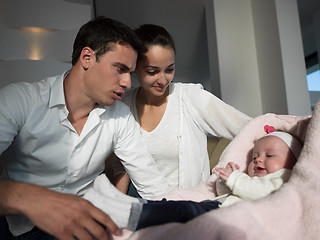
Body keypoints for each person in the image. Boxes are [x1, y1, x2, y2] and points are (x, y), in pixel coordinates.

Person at [0, 17, 172, 240]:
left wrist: (186, 219)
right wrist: (28, 197)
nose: (127, 83)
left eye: (129, 73)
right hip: (14, 224)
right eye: (119, 69)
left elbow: (152, 185)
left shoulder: (121, 117)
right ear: (87, 57)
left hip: (82, 227)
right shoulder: (20, 100)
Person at [113, 24, 252, 197]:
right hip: (140, 201)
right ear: (134, 68)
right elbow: (122, 167)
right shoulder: (123, 105)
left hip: (186, 204)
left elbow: (249, 128)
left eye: (170, 69)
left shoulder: (191, 98)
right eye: (152, 71)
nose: (163, 80)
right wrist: (118, 205)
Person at [84, 129, 303, 231]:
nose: (258, 161)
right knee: (174, 207)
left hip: (229, 217)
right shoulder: (248, 178)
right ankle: (122, 205)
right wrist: (227, 178)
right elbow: (223, 192)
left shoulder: (287, 178)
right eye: (254, 156)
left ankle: (124, 212)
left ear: (294, 160)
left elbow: (262, 193)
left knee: (184, 212)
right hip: (218, 205)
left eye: (269, 156)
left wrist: (236, 180)